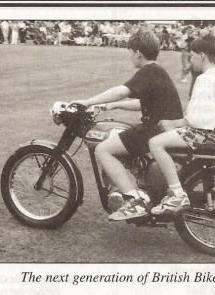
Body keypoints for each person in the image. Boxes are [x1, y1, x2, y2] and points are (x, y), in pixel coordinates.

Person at [70, 30, 184, 220]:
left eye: (130, 52)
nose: (130, 56)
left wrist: (88, 101)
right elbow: (143, 103)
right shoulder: (157, 72)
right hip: (162, 129)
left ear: (138, 52)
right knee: (120, 136)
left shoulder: (148, 71)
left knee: (103, 150)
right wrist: (110, 105)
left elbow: (122, 90)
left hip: (155, 130)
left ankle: (134, 200)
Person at [148, 34, 215, 214]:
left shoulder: (204, 79)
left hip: (211, 133)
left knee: (155, 143)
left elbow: (200, 119)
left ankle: (177, 195)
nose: (190, 61)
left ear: (202, 55)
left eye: (192, 56)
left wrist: (175, 123)